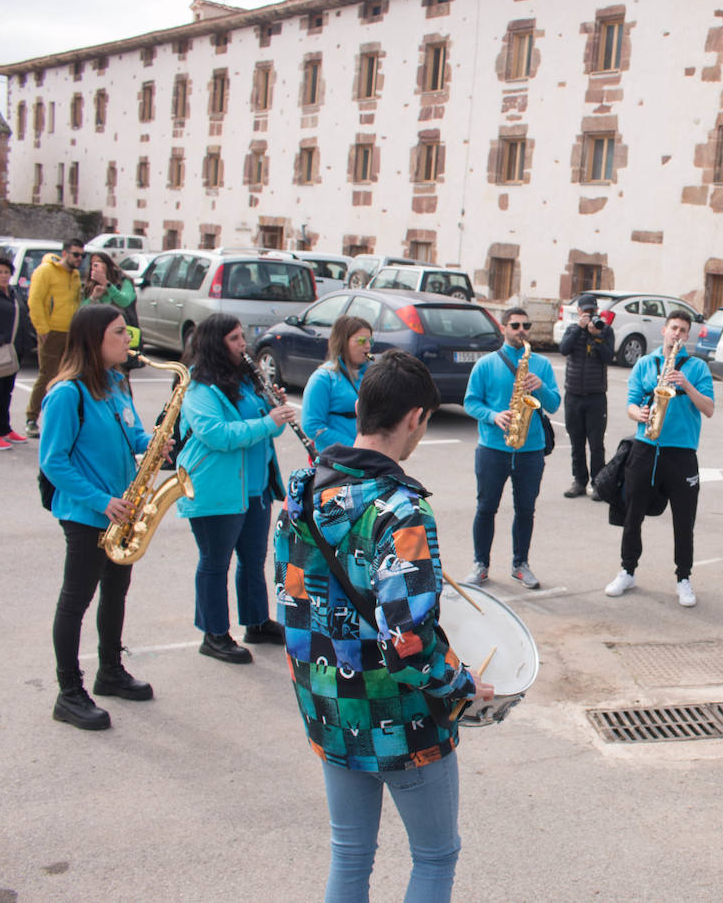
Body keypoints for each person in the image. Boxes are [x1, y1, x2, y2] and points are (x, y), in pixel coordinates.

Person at [275, 349, 494, 901]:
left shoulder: (301, 490)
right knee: (435, 857)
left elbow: (293, 601)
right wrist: (466, 685)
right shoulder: (401, 510)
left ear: (360, 407)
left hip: (326, 705)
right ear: (417, 418)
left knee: (349, 855)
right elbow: (410, 645)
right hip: (401, 720)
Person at [39, 304, 158, 730]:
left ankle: (110, 670)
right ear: (94, 340)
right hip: (87, 514)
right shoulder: (67, 393)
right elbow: (53, 461)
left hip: (121, 511)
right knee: (75, 601)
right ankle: (69, 692)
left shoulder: (114, 384)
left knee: (115, 592)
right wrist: (100, 500)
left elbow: (134, 434)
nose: (129, 340)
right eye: (119, 333)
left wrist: (157, 445)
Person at [176, 314, 295, 664]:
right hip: (218, 490)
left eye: (242, 337)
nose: (243, 344)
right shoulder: (200, 388)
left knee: (254, 560)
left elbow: (271, 432)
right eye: (234, 339)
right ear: (215, 343)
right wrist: (265, 421)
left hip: (255, 488)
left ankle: (256, 622)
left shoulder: (246, 381)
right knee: (215, 563)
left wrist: (275, 410)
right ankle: (213, 634)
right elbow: (217, 436)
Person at [604, 309, 715, 608]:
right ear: (664, 331)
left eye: (682, 330)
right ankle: (627, 571)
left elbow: (709, 409)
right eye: (673, 328)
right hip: (645, 447)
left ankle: (683, 578)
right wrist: (636, 413)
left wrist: (686, 385)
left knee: (684, 520)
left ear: (687, 336)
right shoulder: (645, 363)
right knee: (632, 514)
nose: (677, 334)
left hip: (681, 453)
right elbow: (630, 403)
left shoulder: (698, 368)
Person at [461, 306, 560, 589]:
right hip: (492, 448)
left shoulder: (541, 364)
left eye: (526, 326)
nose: (521, 331)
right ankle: (480, 564)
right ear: (504, 328)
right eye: (515, 325)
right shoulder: (486, 364)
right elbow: (470, 402)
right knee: (485, 508)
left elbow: (553, 404)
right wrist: (493, 416)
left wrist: (540, 387)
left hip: (531, 450)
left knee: (525, 510)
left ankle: (521, 565)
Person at [24, 239, 85, 437]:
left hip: (71, 332)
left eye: (82, 255)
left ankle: (59, 420)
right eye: (76, 254)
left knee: (68, 376)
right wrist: (43, 329)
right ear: (65, 253)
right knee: (47, 375)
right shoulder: (45, 271)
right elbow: (35, 300)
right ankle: (31, 418)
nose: (79, 259)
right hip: (52, 331)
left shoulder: (75, 275)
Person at [558, 293, 615, 499]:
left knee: (596, 444)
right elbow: (564, 349)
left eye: (593, 311)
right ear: (579, 312)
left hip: (596, 396)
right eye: (586, 312)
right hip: (573, 395)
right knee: (576, 442)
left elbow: (609, 356)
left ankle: (598, 484)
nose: (590, 315)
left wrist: (596, 336)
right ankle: (579, 481)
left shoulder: (605, 330)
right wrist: (580, 330)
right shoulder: (572, 329)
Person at [302, 315, 373, 451]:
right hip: (337, 460)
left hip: (364, 456)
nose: (368, 346)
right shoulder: (323, 378)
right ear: (342, 342)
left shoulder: (369, 374)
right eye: (362, 340)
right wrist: (354, 446)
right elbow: (312, 426)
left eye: (371, 341)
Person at [0, 254, 27, 450]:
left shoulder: (12, 294)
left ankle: (4, 428)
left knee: (5, 393)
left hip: (12, 352)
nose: (3, 276)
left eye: (6, 272)